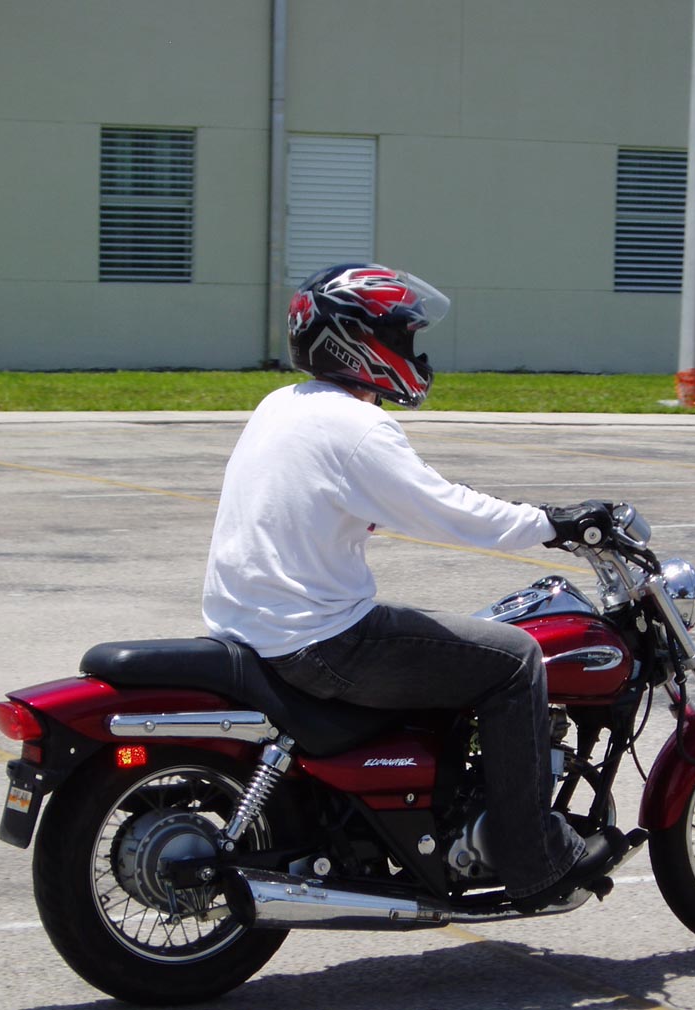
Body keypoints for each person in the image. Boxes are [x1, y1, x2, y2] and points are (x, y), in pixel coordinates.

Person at [202, 263, 620, 911]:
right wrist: (553, 523)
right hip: (319, 641)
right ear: (354, 341)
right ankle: (534, 858)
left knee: (448, 641)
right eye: (400, 334)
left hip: (254, 626)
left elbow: (379, 500)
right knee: (514, 660)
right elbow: (448, 512)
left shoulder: (282, 405)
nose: (413, 351)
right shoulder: (356, 427)